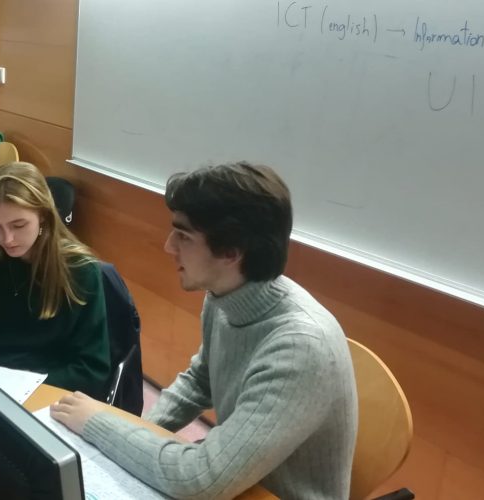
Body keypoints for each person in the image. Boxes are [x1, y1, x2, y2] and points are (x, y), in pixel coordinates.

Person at [50, 162, 358, 499]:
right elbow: (200, 381)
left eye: (183, 236)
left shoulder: (302, 348)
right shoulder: (222, 296)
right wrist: (137, 429)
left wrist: (98, 423)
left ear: (231, 252)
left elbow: (200, 480)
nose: (169, 246)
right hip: (240, 483)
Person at [0, 162, 111, 399]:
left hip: (52, 391)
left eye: (19, 225)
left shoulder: (80, 270)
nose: (7, 239)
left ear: (43, 215)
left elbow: (92, 368)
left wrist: (23, 388)